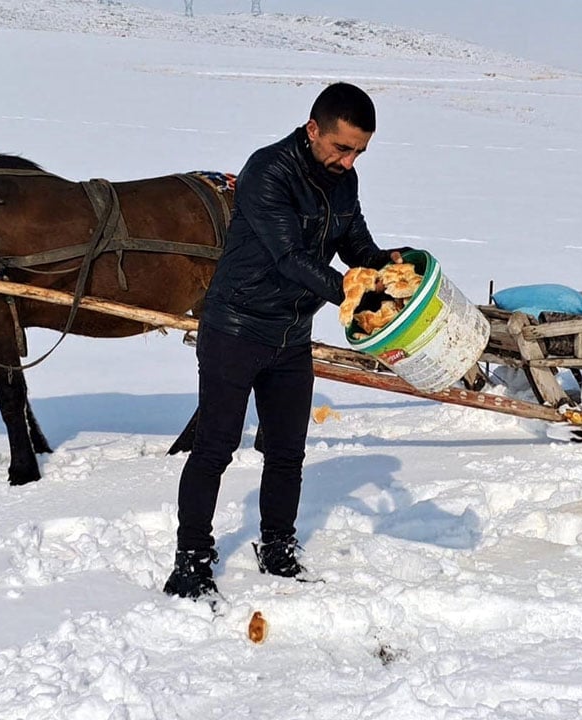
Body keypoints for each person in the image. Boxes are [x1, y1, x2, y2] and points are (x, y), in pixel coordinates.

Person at [164, 82, 410, 602]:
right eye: (342, 148)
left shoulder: (344, 181)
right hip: (236, 328)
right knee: (214, 449)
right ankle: (191, 559)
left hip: (291, 334)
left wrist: (389, 266)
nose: (348, 161)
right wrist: (355, 296)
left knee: (286, 452)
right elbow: (290, 258)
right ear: (313, 129)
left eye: (359, 152)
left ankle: (277, 546)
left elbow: (355, 244)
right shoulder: (268, 171)